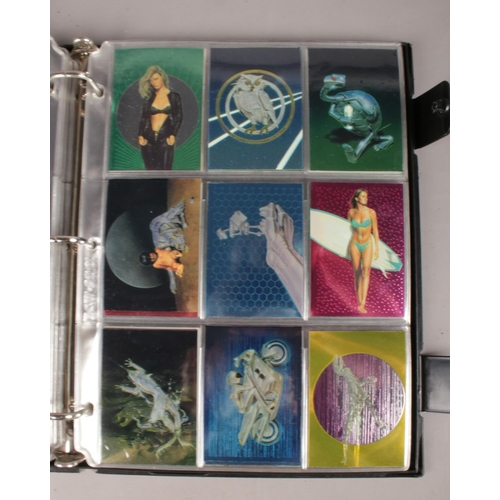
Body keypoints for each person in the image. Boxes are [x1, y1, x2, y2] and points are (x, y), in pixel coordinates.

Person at [137, 66, 183, 170]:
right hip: (148, 138)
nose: (154, 82)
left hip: (165, 138)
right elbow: (144, 117)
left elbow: (179, 116)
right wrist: (140, 135)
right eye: (151, 80)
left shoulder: (175, 96)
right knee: (150, 171)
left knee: (166, 170)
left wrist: (173, 134)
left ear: (162, 77)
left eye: (156, 79)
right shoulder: (148, 98)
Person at [347, 189, 379, 313]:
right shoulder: (351, 212)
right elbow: (346, 229)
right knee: (357, 272)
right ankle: (359, 301)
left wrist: (377, 248)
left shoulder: (371, 212)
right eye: (363, 196)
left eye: (366, 196)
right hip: (354, 243)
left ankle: (363, 303)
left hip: (367, 244)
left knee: (366, 271)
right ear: (357, 198)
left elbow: (375, 230)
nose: (366, 198)